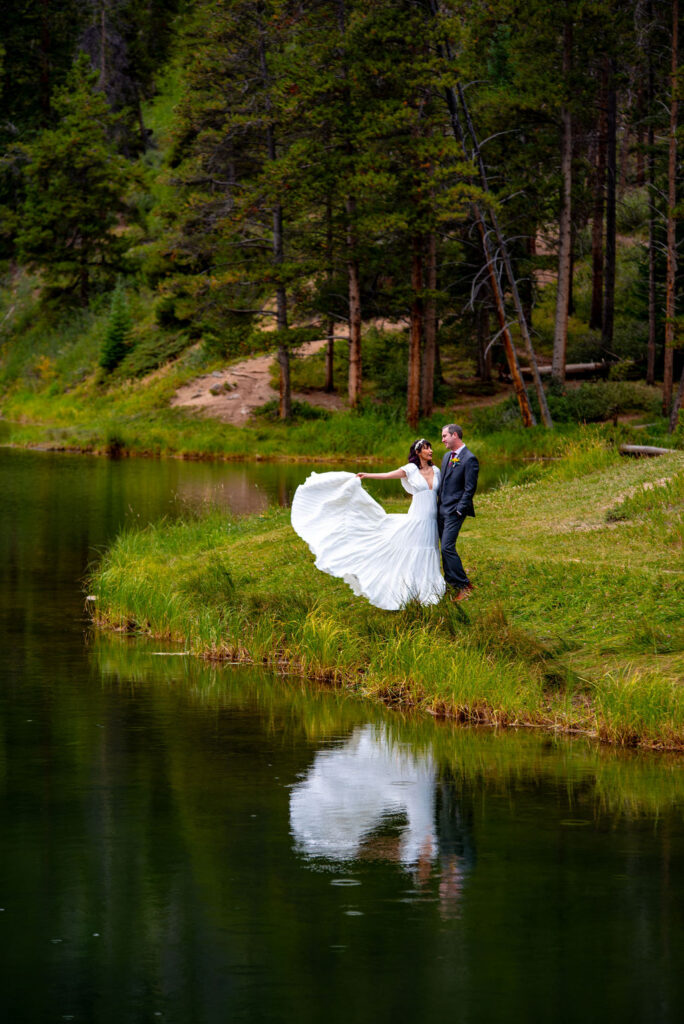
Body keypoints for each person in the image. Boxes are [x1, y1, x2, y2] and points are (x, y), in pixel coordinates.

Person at [290, 439, 445, 610]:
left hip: (432, 519)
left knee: (429, 548)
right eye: (426, 448)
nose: (430, 450)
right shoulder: (411, 470)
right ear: (418, 452)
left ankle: (428, 586)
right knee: (412, 549)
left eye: (430, 447)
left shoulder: (437, 470)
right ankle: (410, 589)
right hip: (417, 517)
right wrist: (368, 475)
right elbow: (388, 475)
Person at [438, 423, 479, 600]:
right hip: (441, 510)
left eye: (445, 436)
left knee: (447, 547)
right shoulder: (447, 456)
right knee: (444, 549)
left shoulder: (470, 459)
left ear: (455, 435)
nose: (442, 440)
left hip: (455, 511)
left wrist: (459, 510)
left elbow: (470, 489)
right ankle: (451, 583)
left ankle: (464, 585)